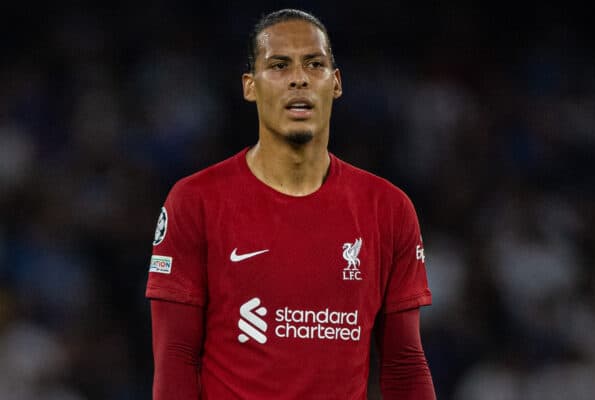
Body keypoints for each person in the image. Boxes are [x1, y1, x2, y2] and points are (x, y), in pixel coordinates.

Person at [146, 8, 436, 399]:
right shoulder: (195, 202)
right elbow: (176, 359)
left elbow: (404, 364)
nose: (299, 78)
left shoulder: (389, 209)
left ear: (335, 83)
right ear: (251, 86)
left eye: (314, 64)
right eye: (279, 65)